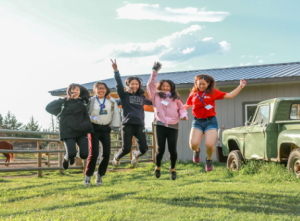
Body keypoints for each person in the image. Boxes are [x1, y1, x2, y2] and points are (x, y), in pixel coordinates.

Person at [185, 74, 247, 171]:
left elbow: (230, 96)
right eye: (199, 84)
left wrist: (241, 86)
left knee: (209, 145)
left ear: (208, 83)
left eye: (204, 84)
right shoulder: (193, 94)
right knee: (193, 144)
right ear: (196, 83)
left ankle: (209, 159)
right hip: (197, 121)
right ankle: (196, 151)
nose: (201, 86)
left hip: (211, 121)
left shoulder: (213, 92)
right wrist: (174, 110)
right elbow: (187, 105)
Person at [147, 62, 188, 180]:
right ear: (159, 87)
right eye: (163, 86)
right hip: (159, 124)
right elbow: (150, 85)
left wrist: (184, 116)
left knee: (172, 149)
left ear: (171, 87)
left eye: (167, 86)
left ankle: (172, 169)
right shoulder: (155, 96)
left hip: (173, 125)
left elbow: (182, 109)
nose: (165, 88)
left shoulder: (176, 99)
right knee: (160, 149)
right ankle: (158, 166)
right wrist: (154, 71)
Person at [111, 59, 152, 168]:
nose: (134, 85)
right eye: (132, 83)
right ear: (128, 84)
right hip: (127, 124)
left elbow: (153, 102)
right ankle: (116, 157)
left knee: (144, 149)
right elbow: (119, 85)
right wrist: (116, 71)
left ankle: (135, 154)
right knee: (126, 149)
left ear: (139, 85)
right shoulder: (124, 96)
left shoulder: (142, 97)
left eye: (136, 84)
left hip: (139, 124)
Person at [46, 83, 94, 170]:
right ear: (69, 91)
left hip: (82, 130)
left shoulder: (83, 101)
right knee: (71, 153)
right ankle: (67, 158)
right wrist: (60, 111)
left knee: (84, 155)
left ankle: (73, 156)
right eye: (73, 90)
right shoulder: (63, 102)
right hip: (68, 131)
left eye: (77, 90)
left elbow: (87, 94)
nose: (75, 92)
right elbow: (48, 108)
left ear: (80, 92)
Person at [83, 82, 121, 187]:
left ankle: (99, 174)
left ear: (106, 90)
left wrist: (114, 125)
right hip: (94, 128)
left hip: (106, 129)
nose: (101, 90)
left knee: (107, 154)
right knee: (94, 153)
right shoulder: (91, 101)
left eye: (103, 88)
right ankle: (88, 176)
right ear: (94, 90)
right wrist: (95, 118)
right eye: (98, 88)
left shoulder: (111, 100)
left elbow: (117, 110)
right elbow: (86, 114)